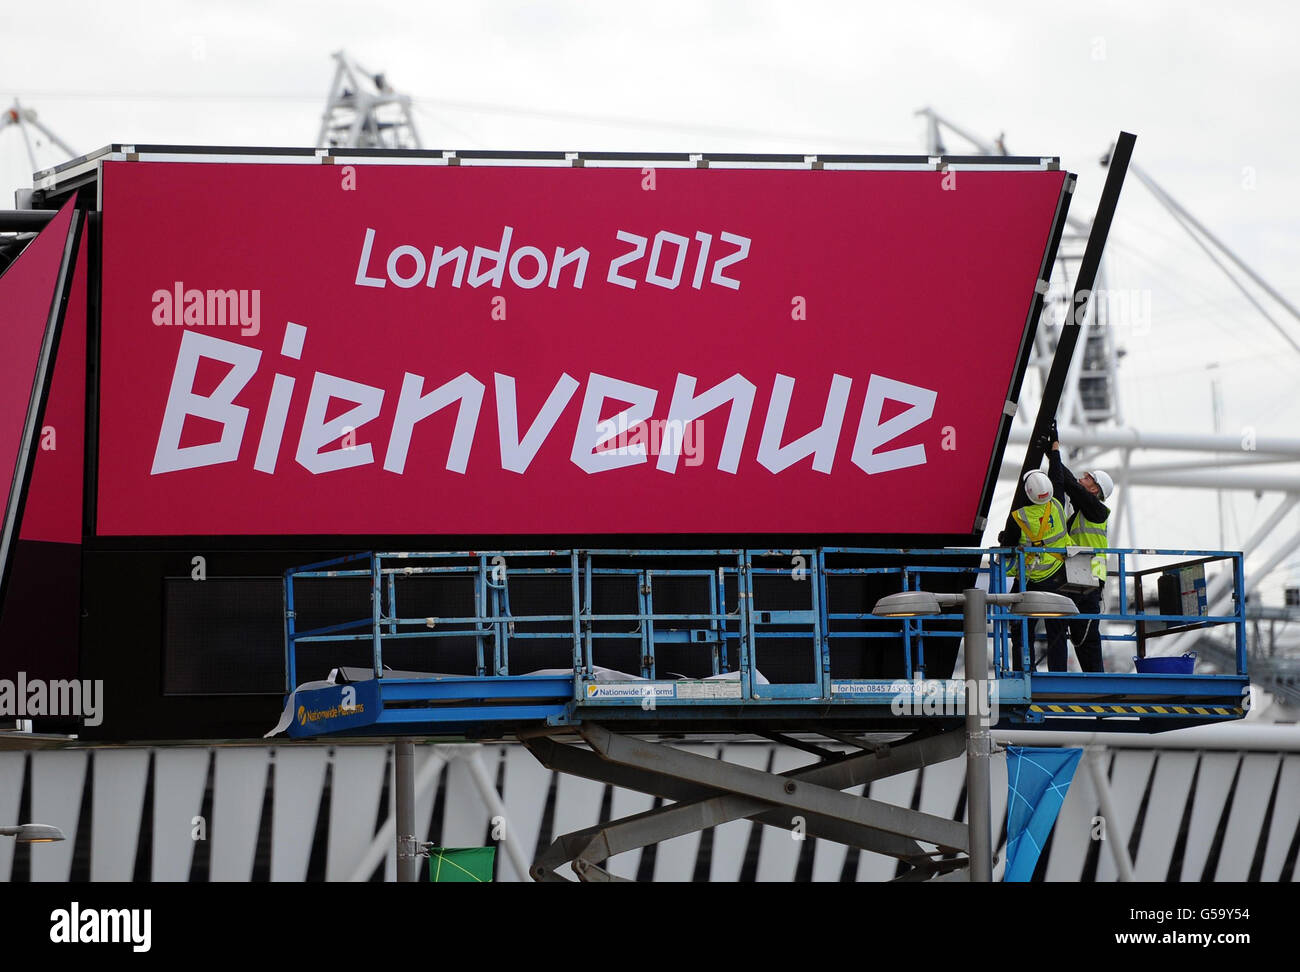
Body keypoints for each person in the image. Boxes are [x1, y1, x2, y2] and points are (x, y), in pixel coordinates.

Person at [998, 446, 1070, 672]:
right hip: (1058, 577)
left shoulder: (1019, 517)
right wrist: (1055, 450)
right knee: (1057, 630)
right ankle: (1059, 674)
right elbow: (1057, 477)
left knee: (1021, 630)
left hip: (1028, 580)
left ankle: (1023, 671)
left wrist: (1004, 537)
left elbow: (1006, 544)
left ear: (1026, 492)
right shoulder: (1057, 504)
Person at [1050, 441, 1113, 673]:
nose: (1081, 479)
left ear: (1095, 489)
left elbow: (1070, 486)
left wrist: (1054, 453)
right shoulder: (1079, 514)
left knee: (1086, 635)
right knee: (1062, 625)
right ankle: (1061, 676)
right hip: (1078, 574)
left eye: (1087, 478)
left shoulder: (1097, 511)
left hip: (1090, 576)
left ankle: (1096, 684)